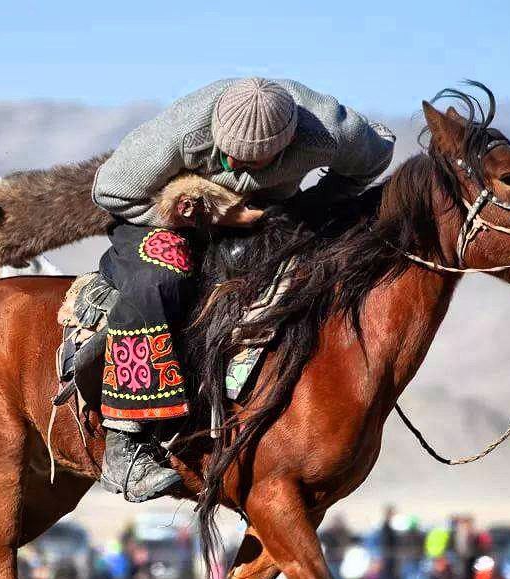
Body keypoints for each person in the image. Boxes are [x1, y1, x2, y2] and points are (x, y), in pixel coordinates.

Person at [91, 78, 396, 500]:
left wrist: (314, 205)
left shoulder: (327, 130)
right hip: (160, 220)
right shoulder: (181, 132)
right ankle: (125, 443)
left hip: (261, 218)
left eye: (253, 160)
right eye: (227, 155)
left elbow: (374, 156)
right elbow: (110, 192)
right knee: (157, 280)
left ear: (288, 144)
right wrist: (211, 216)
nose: (235, 164)